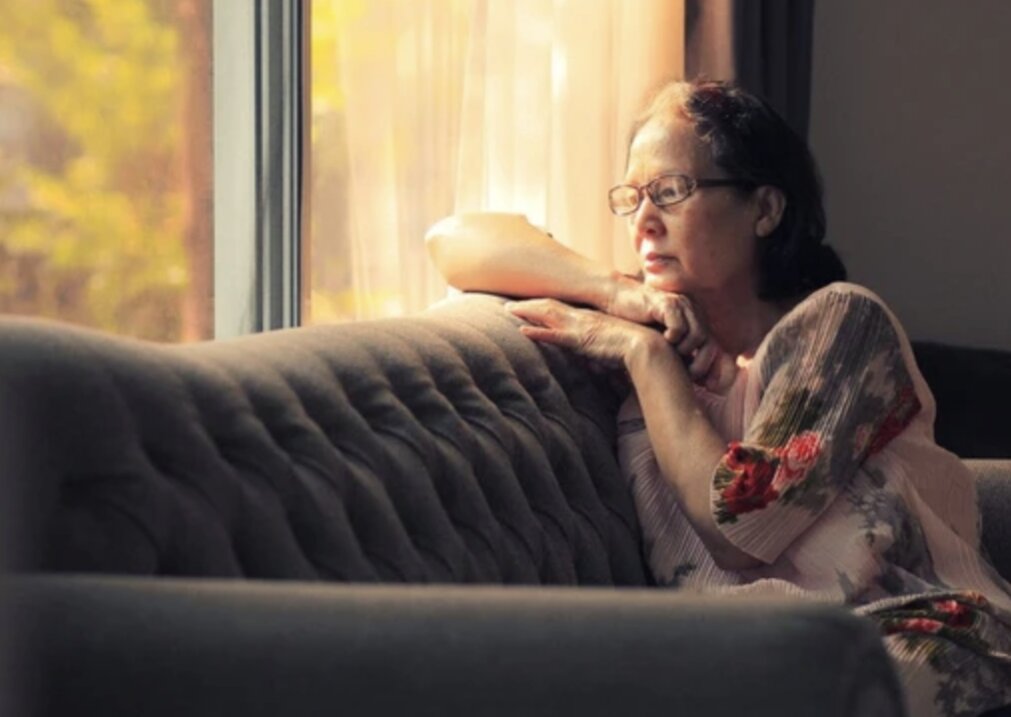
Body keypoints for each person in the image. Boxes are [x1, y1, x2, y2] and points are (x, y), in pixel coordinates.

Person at [425, 79, 1011, 717]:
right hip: (739, 662)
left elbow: (742, 527)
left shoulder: (843, 324)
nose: (644, 221)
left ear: (765, 209)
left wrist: (649, 360)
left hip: (906, 640)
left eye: (671, 191)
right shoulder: (639, 328)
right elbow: (452, 241)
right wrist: (616, 292)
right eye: (632, 198)